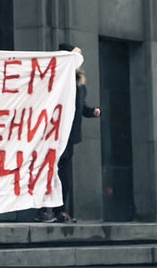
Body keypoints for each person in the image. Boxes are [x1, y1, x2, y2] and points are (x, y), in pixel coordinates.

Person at [37, 44, 101, 223]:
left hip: (68, 137)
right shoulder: (53, 81)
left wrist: (92, 111)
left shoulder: (79, 85)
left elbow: (81, 107)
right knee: (47, 172)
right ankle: (45, 210)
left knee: (64, 175)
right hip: (50, 134)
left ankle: (61, 210)